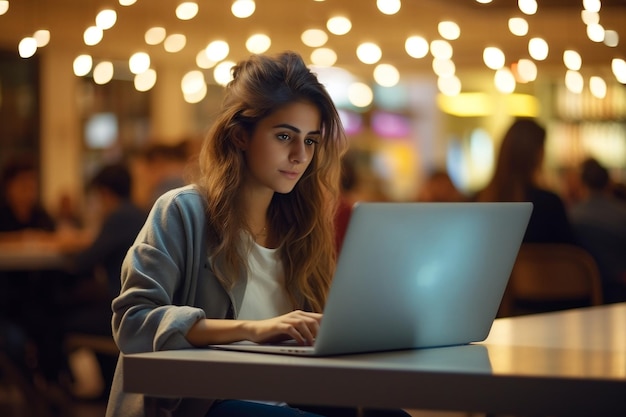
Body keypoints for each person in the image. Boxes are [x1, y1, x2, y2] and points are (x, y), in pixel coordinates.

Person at [106, 52, 411, 417]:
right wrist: (252, 329)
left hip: (294, 399)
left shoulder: (304, 226)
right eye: (285, 136)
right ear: (239, 136)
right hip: (207, 406)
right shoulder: (182, 212)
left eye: (311, 141)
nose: (300, 155)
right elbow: (132, 322)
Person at [61, 162, 147, 398]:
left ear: (105, 193)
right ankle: (107, 388)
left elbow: (83, 263)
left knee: (60, 319)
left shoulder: (118, 217)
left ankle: (58, 391)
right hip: (140, 307)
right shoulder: (140, 213)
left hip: (124, 311)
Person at [475, 118, 576, 244]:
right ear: (538, 155)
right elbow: (571, 255)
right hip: (540, 264)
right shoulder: (549, 204)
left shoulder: (478, 201)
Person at [569, 157, 626, 303]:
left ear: (582, 183)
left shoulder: (571, 216)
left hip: (580, 293)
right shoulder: (621, 214)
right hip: (618, 290)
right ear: (608, 183)